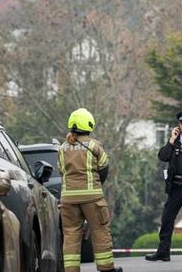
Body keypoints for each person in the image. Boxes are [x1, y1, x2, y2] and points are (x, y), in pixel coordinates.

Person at [59, 108, 122, 272]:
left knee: (71, 234)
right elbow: (104, 167)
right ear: (89, 124)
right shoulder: (94, 146)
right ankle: (106, 268)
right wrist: (96, 185)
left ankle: (71, 270)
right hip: (92, 198)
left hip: (68, 200)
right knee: (100, 230)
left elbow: (61, 171)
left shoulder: (62, 148)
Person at [146, 111, 182, 262]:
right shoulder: (175, 141)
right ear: (179, 125)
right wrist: (171, 140)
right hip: (176, 187)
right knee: (167, 218)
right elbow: (162, 156)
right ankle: (163, 252)